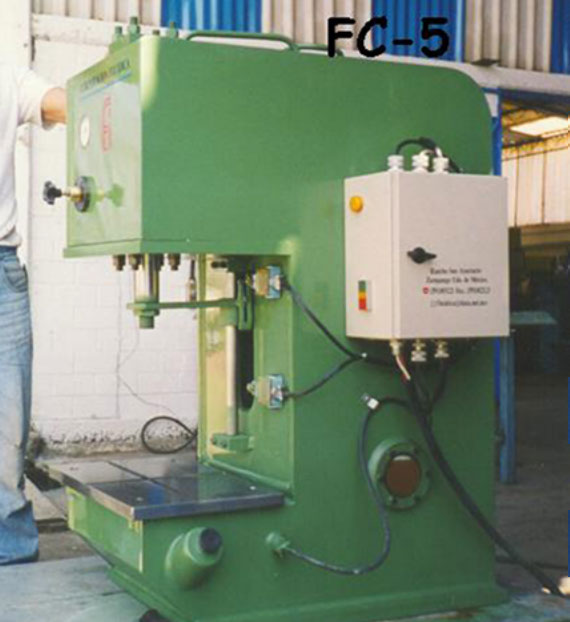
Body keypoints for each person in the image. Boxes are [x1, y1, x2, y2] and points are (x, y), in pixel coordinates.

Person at [0, 65, 66, 564]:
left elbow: (68, 104)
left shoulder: (6, 80)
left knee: (7, 417)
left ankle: (10, 543)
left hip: (0, 266)